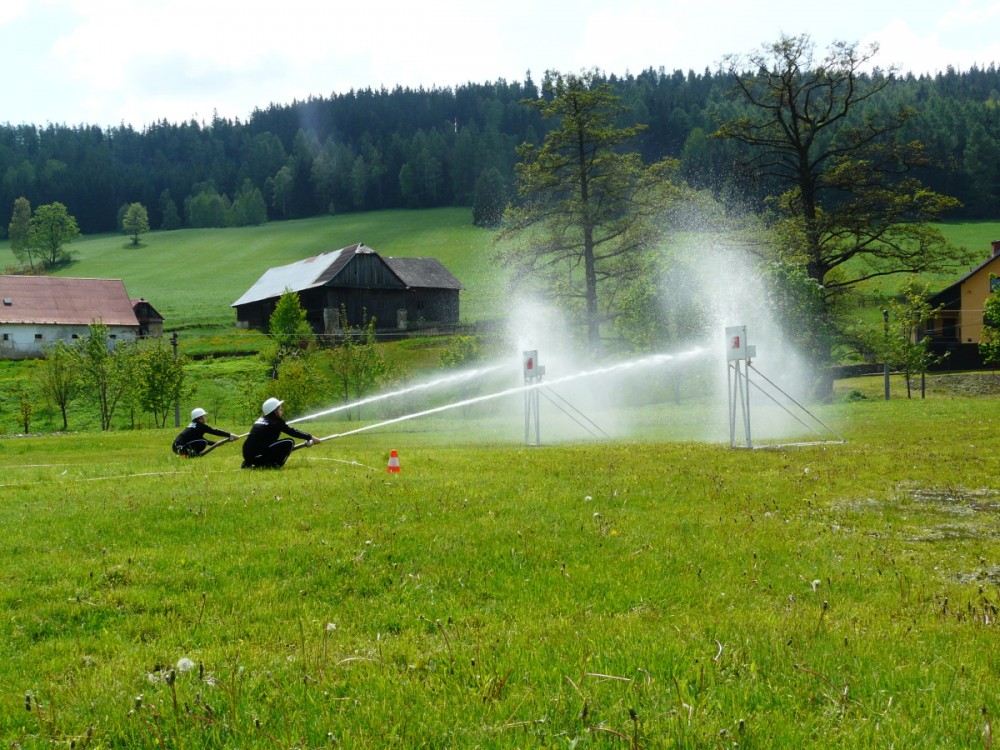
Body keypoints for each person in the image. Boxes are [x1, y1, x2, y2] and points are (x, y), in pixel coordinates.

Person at [241, 397, 320, 469]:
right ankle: (274, 465)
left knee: (271, 444)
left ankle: (248, 463)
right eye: (280, 409)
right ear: (275, 411)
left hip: (247, 455)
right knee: (289, 442)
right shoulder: (275, 422)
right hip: (258, 455)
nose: (281, 411)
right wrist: (310, 437)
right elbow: (292, 432)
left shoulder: (261, 419)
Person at [172, 408, 238, 457]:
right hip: (182, 448)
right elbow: (214, 431)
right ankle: (192, 455)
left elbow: (199, 439)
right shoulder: (200, 426)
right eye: (204, 416)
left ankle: (187, 455)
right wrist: (230, 435)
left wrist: (215, 444)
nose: (206, 417)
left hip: (176, 448)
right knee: (203, 443)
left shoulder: (194, 426)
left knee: (202, 441)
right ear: (201, 417)